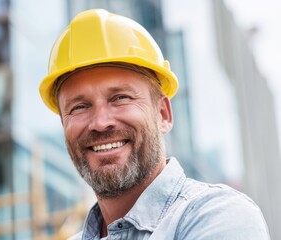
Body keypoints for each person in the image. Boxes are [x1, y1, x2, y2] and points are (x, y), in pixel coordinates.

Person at [39, 9, 270, 240]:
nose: (100, 122)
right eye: (79, 107)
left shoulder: (219, 217)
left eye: (120, 98)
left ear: (163, 114)